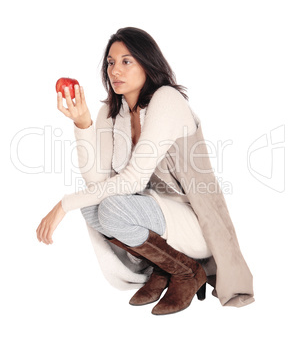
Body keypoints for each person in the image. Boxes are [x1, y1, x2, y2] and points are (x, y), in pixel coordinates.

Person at [36, 27, 254, 315]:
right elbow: (97, 182)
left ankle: (189, 271)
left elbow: (133, 180)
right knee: (92, 207)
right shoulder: (112, 113)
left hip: (194, 222)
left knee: (109, 206)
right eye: (111, 63)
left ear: (147, 63)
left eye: (127, 61)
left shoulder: (166, 100)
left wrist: (63, 204)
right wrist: (83, 124)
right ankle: (164, 267)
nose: (115, 70)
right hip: (153, 215)